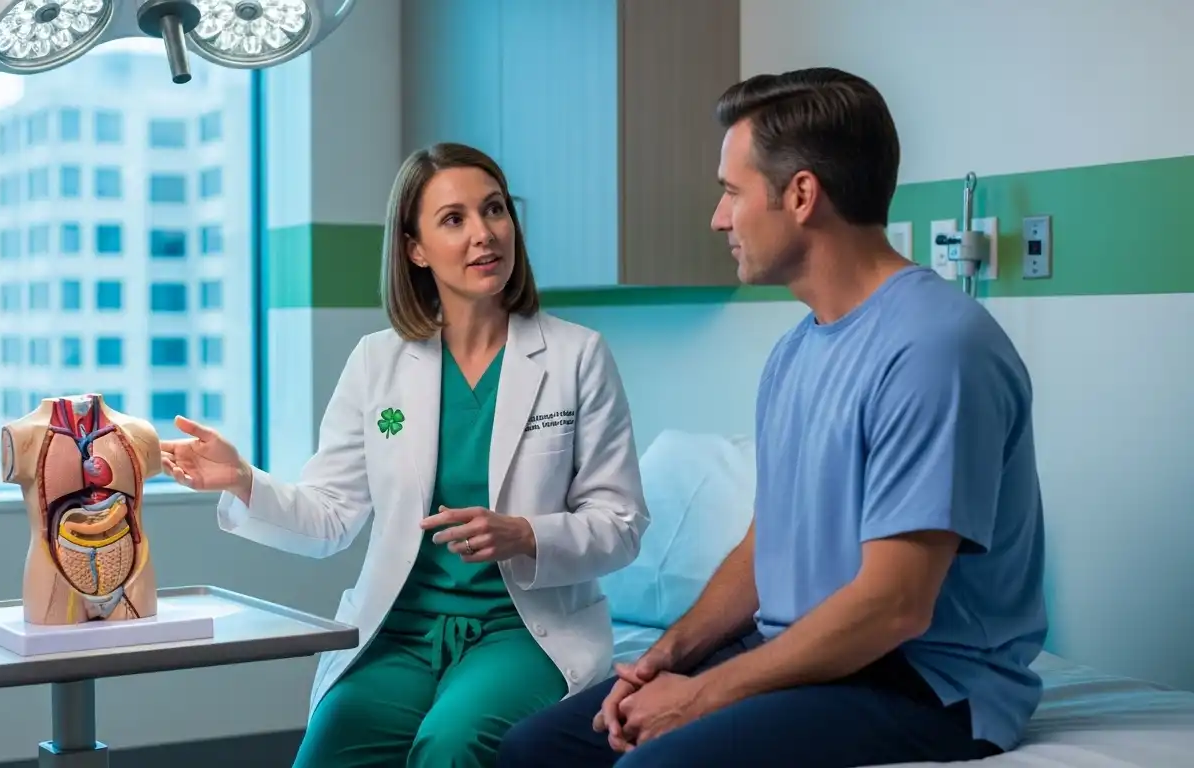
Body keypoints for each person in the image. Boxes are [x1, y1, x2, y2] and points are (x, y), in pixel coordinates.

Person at [496, 67, 1048, 767]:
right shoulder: (797, 349)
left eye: (731, 191)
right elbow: (768, 547)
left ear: (801, 194)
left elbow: (896, 606)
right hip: (803, 654)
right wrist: (666, 658)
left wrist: (702, 697)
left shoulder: (937, 349)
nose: (718, 217)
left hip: (924, 683)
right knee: (537, 750)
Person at [159, 142, 650, 767]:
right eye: (454, 219)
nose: (484, 234)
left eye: (494, 210)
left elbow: (622, 524)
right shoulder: (377, 361)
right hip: (400, 632)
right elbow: (332, 516)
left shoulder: (576, 356)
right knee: (328, 750)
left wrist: (525, 533)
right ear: (415, 248)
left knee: (451, 745)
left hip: (522, 630)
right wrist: (243, 480)